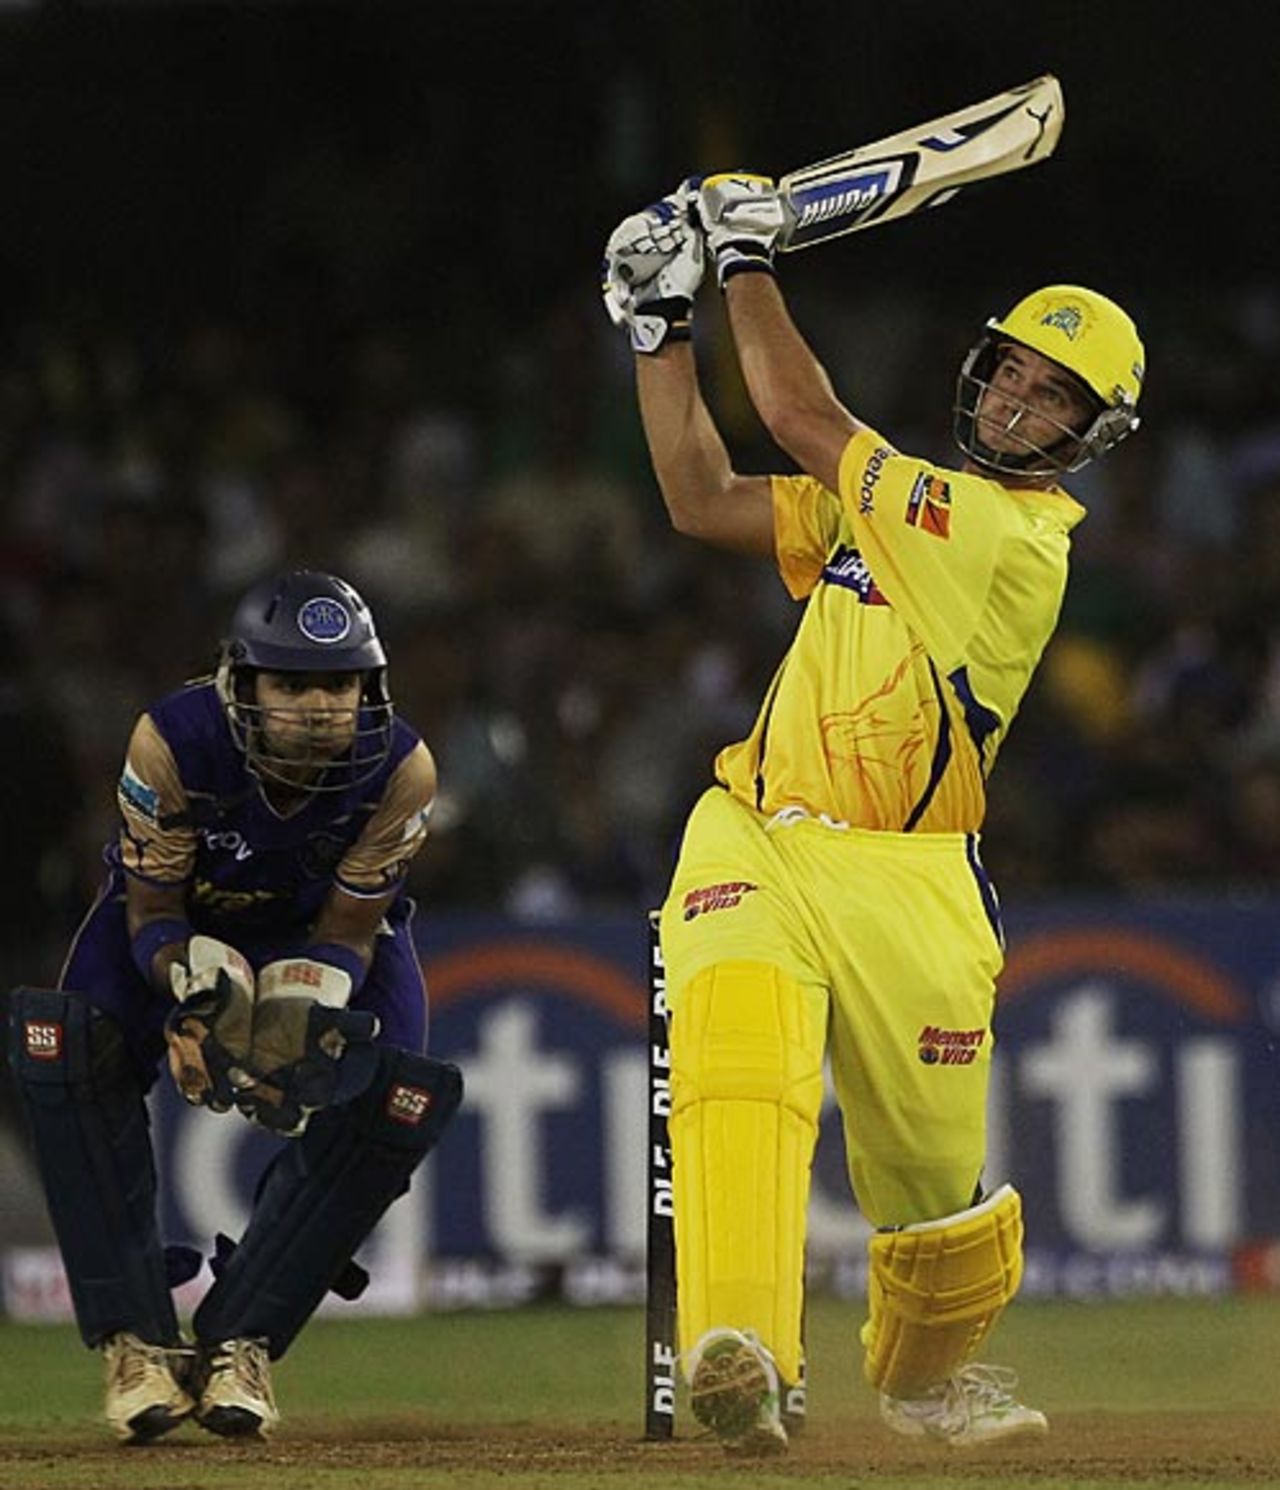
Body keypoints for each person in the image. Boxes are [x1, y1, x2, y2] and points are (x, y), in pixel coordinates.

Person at [601, 178, 1144, 1454]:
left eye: (1048, 393)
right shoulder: (886, 499)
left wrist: (741, 256)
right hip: (755, 829)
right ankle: (739, 1350)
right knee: (736, 1063)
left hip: (914, 882)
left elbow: (795, 413)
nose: (1014, 400)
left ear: (1086, 432)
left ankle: (922, 1377)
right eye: (1007, 371)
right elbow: (696, 492)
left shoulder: (1013, 538)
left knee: (928, 1191)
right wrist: (652, 329)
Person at [7, 570, 463, 1443]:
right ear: (241, 681)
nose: (319, 707)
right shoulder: (172, 741)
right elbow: (151, 910)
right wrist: (195, 1009)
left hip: (318, 933)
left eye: (338, 684)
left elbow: (350, 927)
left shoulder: (402, 768)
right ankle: (137, 1344)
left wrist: (308, 1009)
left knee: (396, 1098)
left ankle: (240, 1342)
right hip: (182, 924)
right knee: (65, 1050)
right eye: (290, 682)